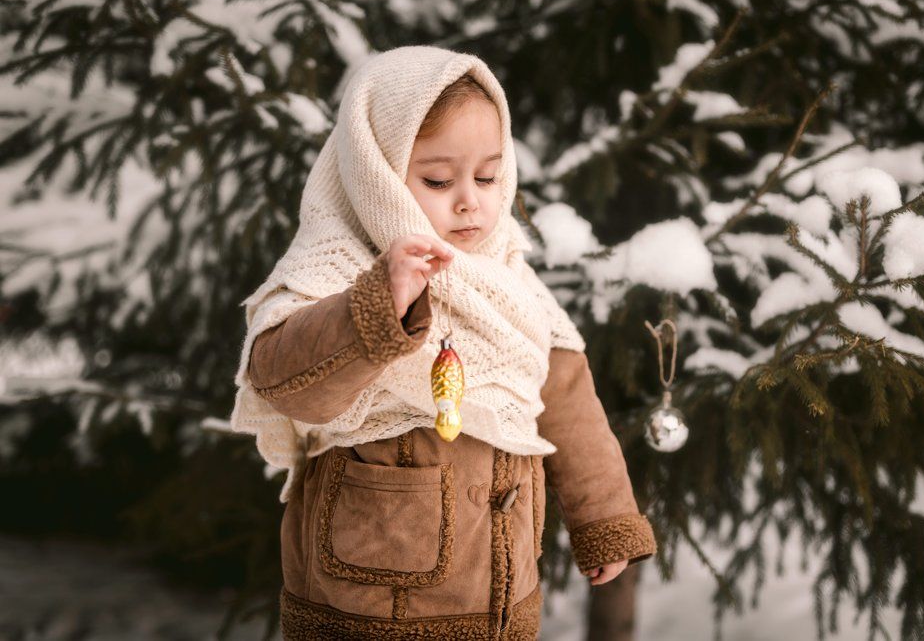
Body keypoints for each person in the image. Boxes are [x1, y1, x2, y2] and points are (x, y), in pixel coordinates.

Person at [229, 45, 656, 640]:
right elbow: (284, 380)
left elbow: (566, 398)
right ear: (375, 172)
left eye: (487, 175)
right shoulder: (338, 266)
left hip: (501, 591)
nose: (469, 200)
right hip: (372, 598)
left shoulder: (508, 274)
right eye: (437, 179)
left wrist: (604, 519)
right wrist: (376, 304)